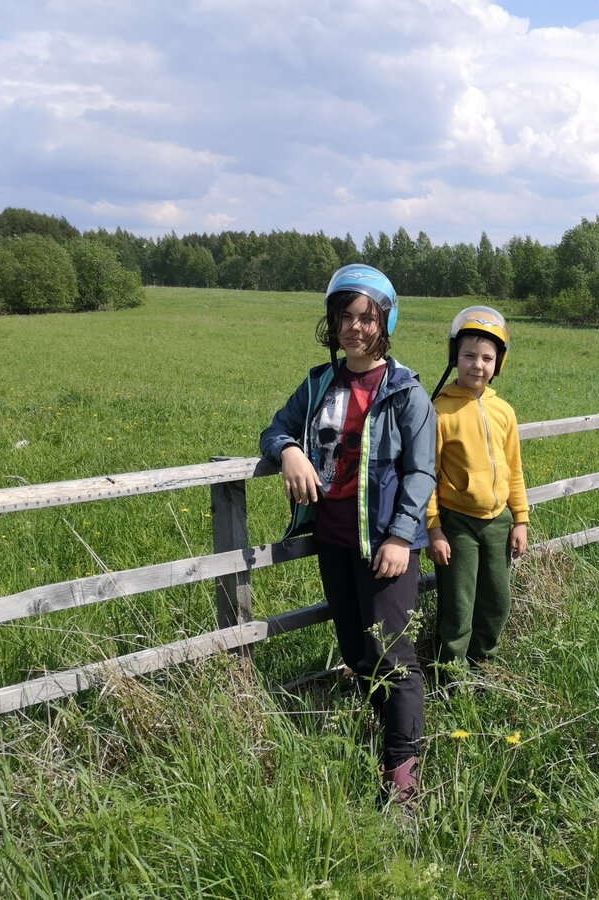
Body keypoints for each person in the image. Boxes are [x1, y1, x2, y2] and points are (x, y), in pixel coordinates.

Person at [260, 264, 436, 813]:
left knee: (392, 654)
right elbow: (275, 428)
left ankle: (403, 784)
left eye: (367, 318)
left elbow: (421, 472)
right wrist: (288, 451)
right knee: (357, 652)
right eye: (346, 316)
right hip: (333, 542)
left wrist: (402, 538)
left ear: (385, 324)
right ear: (332, 322)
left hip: (385, 546)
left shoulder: (405, 391)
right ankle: (376, 740)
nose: (355, 327)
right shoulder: (319, 383)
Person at [426, 306, 529, 677]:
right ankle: (451, 678)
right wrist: (434, 529)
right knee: (458, 605)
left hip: (499, 522)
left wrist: (520, 519)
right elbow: (427, 477)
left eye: (487, 358)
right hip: (457, 525)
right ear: (454, 356)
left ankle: (484, 667)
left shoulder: (504, 411)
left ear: (499, 362)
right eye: (469, 355)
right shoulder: (439, 412)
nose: (477, 365)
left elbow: (514, 470)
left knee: (497, 601)